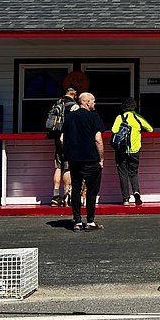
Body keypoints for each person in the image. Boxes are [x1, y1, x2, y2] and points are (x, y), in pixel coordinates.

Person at [60, 91, 105, 231]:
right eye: (93, 101)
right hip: (91, 159)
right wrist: (101, 159)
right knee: (91, 191)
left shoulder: (69, 117)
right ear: (86, 102)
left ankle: (77, 222)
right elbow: (98, 139)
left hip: (74, 160)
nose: (94, 104)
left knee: (76, 189)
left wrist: (70, 150)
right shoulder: (94, 117)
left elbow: (61, 139)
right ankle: (90, 222)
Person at [111, 97, 154, 206]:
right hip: (134, 149)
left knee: (123, 174)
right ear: (134, 106)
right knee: (133, 173)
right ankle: (136, 191)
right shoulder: (137, 117)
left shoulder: (120, 117)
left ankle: (125, 199)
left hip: (121, 150)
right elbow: (150, 129)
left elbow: (114, 130)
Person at [50, 86, 77, 207]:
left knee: (58, 166)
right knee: (67, 167)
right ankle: (67, 195)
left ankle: (55, 196)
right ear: (74, 94)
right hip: (68, 139)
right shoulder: (73, 105)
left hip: (57, 138)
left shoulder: (58, 103)